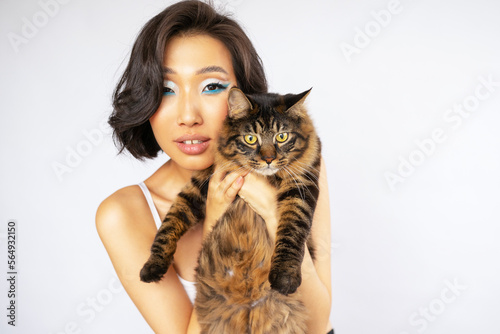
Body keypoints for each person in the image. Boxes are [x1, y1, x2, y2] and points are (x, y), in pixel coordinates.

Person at [96, 1, 333, 333]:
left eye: (212, 86)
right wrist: (216, 222)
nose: (189, 115)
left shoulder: (296, 169)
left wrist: (270, 210)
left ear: (244, 95)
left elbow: (319, 323)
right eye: (166, 90)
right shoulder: (124, 214)